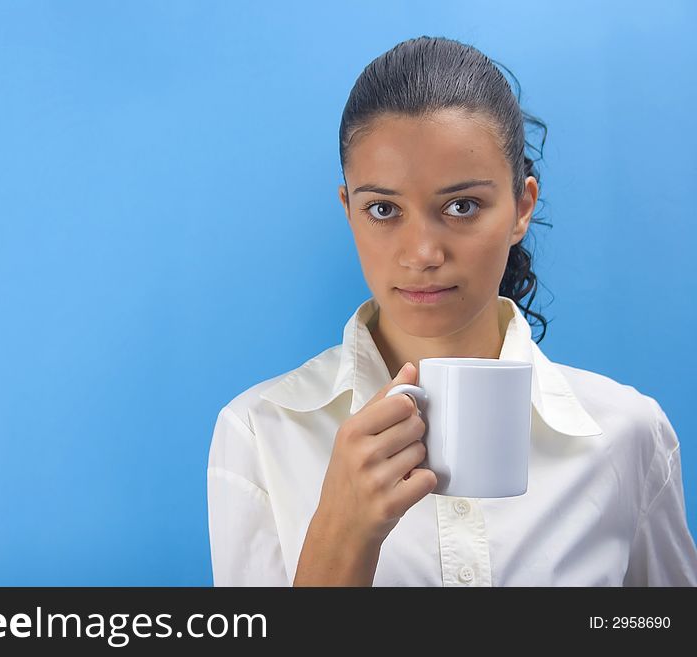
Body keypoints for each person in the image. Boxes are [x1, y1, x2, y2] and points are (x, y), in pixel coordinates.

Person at [206, 36, 697, 586]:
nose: (423, 253)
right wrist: (340, 540)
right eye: (384, 209)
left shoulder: (631, 435)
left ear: (521, 208)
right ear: (350, 211)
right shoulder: (260, 432)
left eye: (462, 206)